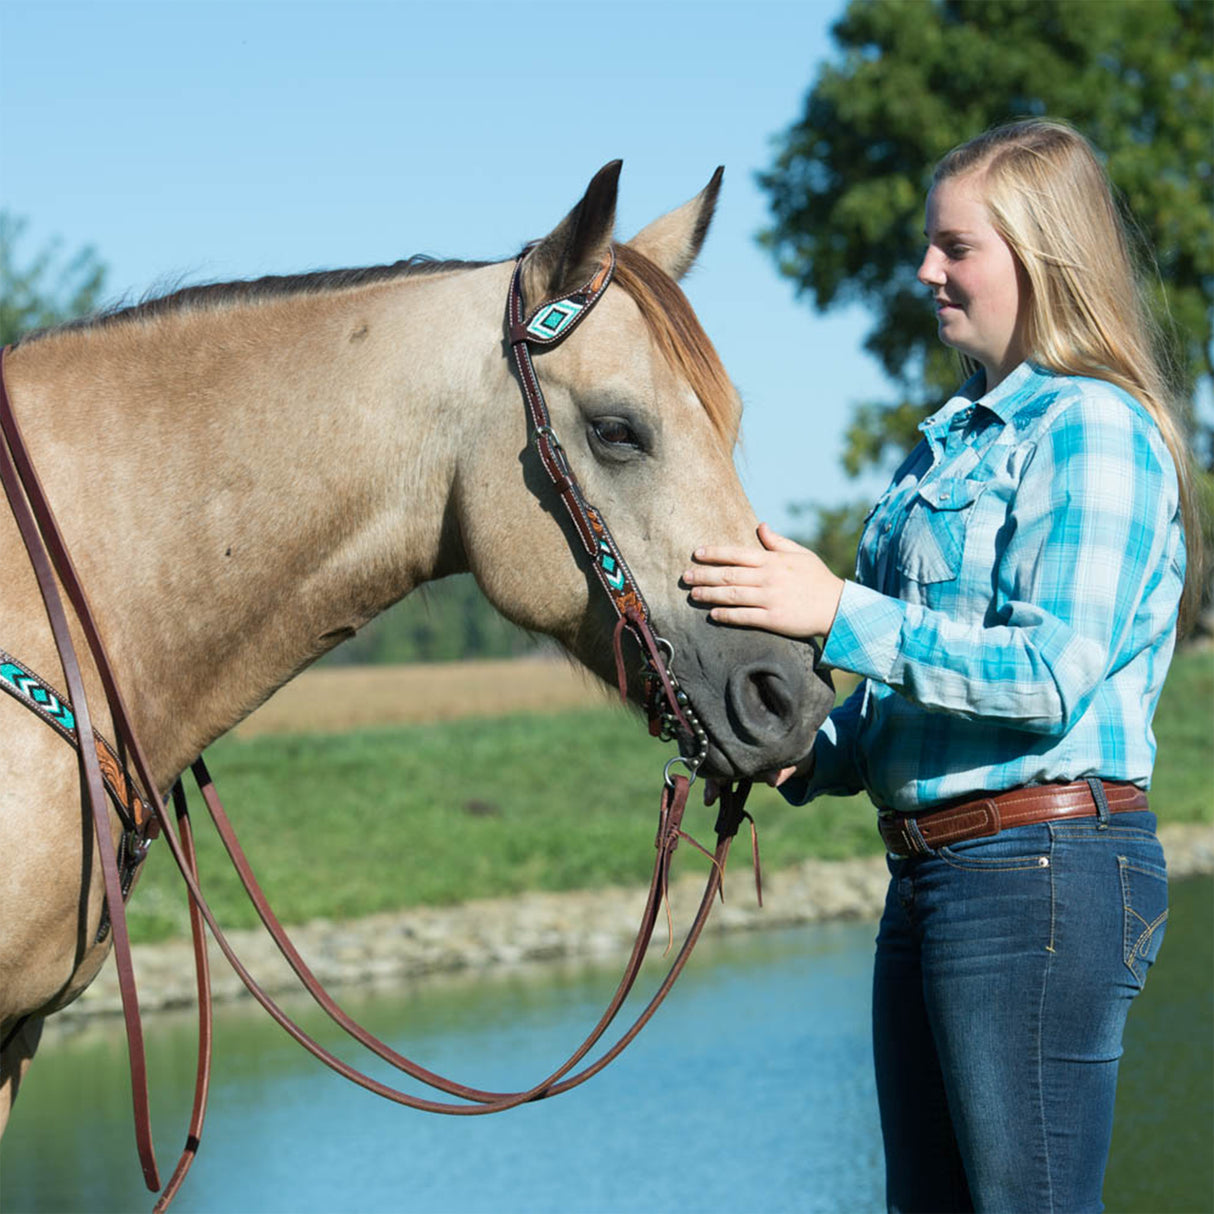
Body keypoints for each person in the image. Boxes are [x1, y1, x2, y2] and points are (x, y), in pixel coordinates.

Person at [682, 118, 1202, 1213]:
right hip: (931, 873)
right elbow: (912, 691)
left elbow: (1043, 675)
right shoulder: (952, 441)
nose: (925, 268)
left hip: (1042, 871)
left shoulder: (1090, 430)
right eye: (932, 244)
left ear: (1041, 256)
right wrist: (802, 750)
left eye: (955, 247)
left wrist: (832, 608)